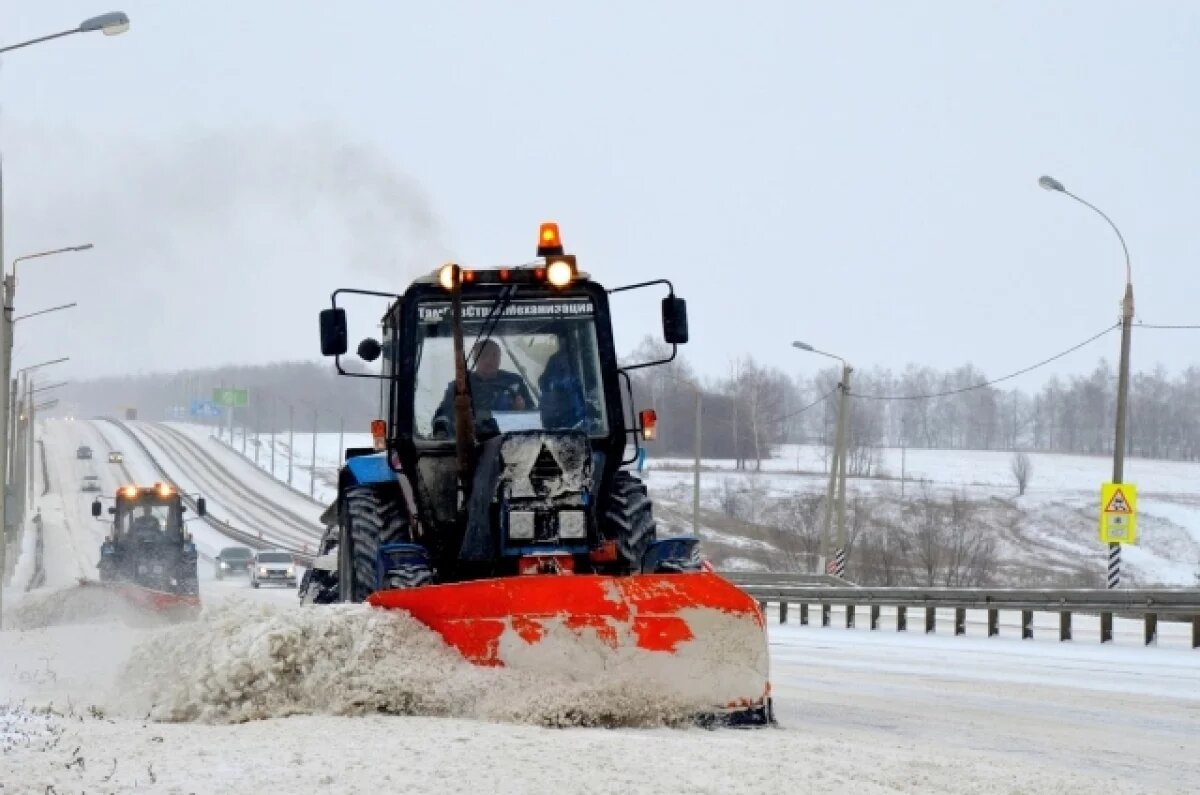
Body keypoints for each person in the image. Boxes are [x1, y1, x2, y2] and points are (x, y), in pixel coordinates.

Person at [432, 339, 535, 435]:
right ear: (475, 358)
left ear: (500, 358)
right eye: (484, 355)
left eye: (494, 355)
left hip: (509, 443)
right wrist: (442, 431)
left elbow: (533, 415)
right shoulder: (460, 385)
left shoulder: (514, 382)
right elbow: (443, 416)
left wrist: (522, 408)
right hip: (469, 444)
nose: (489, 360)